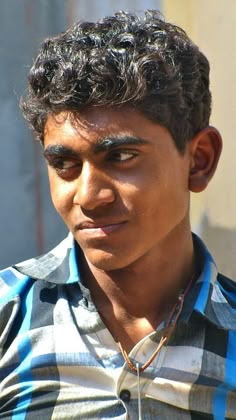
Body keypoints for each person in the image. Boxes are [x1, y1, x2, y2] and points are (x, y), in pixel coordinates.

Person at [0, 9, 235, 419]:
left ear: (198, 160)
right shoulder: (8, 318)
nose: (89, 197)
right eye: (64, 165)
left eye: (122, 157)